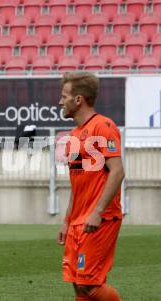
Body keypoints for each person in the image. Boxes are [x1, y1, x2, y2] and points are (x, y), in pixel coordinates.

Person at [57, 72, 125, 301]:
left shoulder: (103, 126)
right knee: (78, 285)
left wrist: (97, 212)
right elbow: (77, 185)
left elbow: (117, 172)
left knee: (89, 285)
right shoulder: (73, 136)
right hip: (78, 221)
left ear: (78, 100)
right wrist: (67, 221)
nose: (60, 101)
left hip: (100, 219)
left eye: (64, 96)